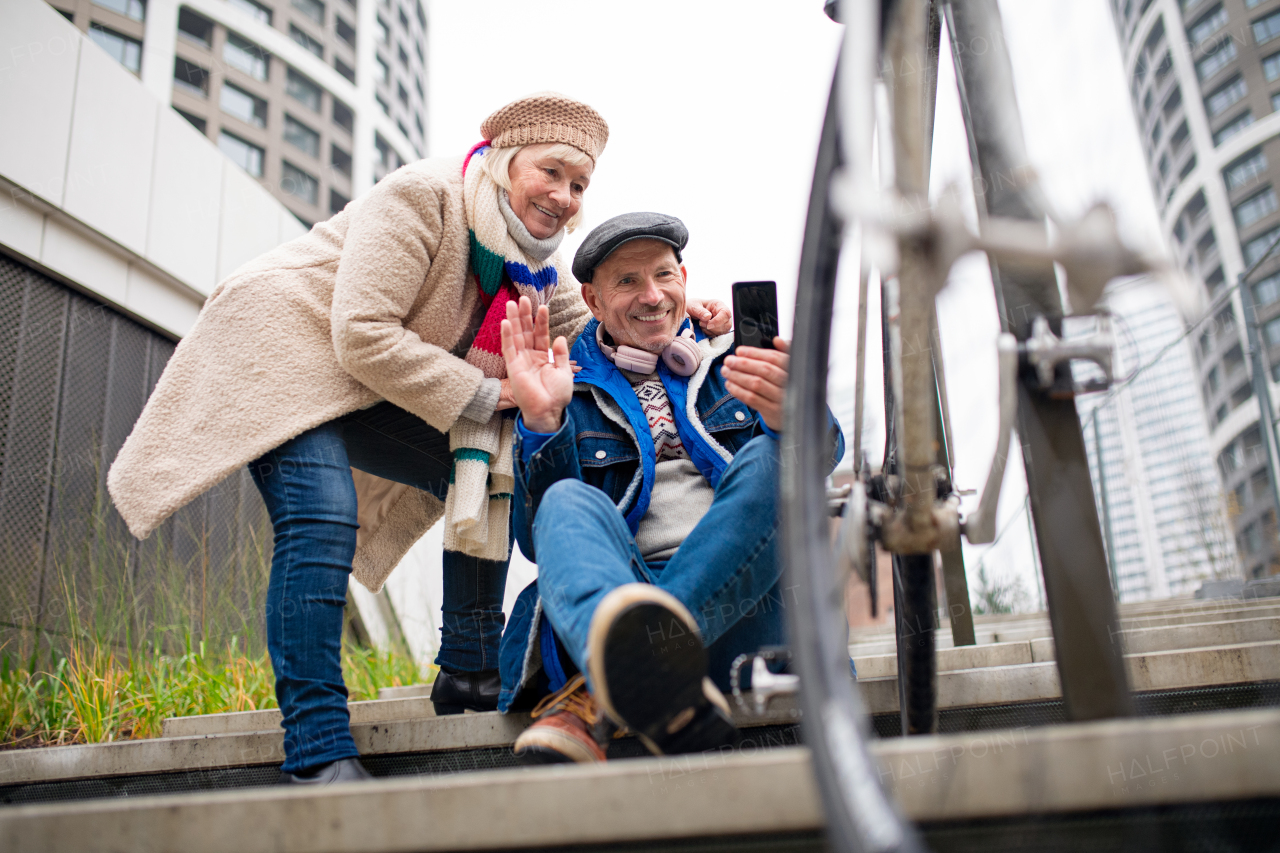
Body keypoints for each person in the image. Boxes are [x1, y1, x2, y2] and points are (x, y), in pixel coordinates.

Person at [107, 96, 731, 785]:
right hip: (281, 347)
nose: (563, 195)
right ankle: (316, 748)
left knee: (497, 456)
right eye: (550, 171)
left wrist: (690, 327)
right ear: (504, 161)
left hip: (358, 383)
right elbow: (364, 332)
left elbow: (598, 329)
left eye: (578, 184)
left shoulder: (532, 271)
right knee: (321, 517)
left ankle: (467, 672)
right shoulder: (423, 198)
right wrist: (497, 393)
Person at [495, 212, 844, 764]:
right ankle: (648, 670)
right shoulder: (568, 394)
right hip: (617, 601)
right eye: (628, 282)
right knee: (565, 500)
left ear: (685, 278)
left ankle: (608, 686)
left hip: (750, 606)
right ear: (591, 300)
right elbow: (545, 542)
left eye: (663, 275)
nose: (652, 295)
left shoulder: (739, 361)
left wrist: (793, 416)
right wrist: (542, 425)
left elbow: (820, 460)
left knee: (774, 456)